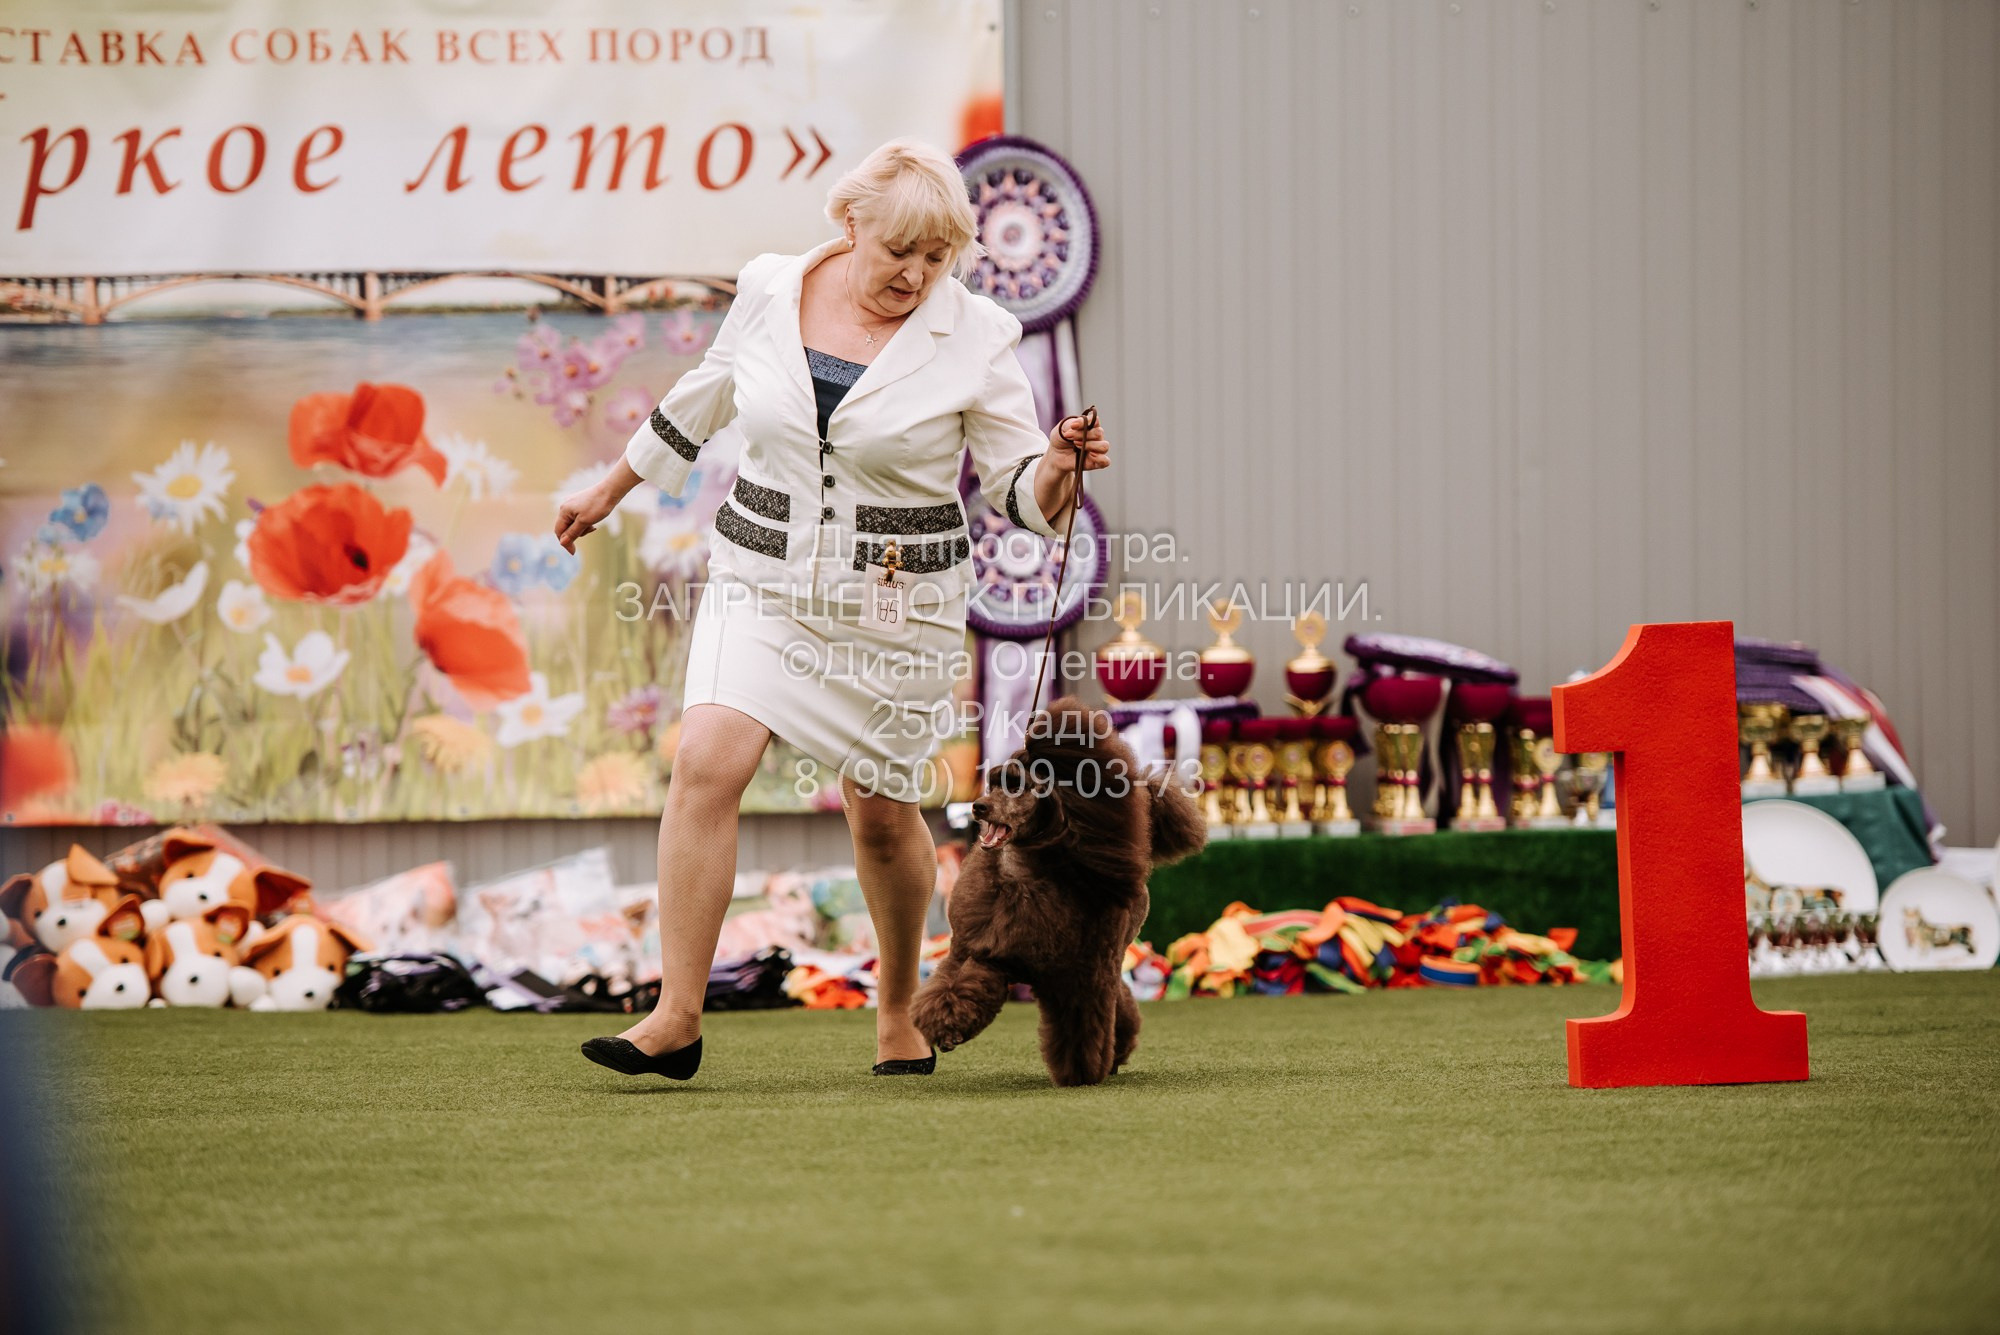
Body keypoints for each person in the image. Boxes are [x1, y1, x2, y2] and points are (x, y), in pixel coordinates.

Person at [553, 138, 1111, 1080]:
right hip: (761, 574)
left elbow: (1020, 494)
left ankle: (898, 1009)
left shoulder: (977, 333)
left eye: (937, 259)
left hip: (894, 603)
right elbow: (707, 392)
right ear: (849, 224)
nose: (917, 275)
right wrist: (610, 488)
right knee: (704, 760)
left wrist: (1055, 464)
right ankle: (676, 1015)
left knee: (881, 813)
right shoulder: (772, 286)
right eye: (900, 252)